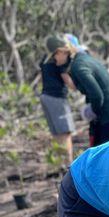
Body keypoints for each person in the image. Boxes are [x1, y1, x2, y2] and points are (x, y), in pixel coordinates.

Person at [48, 34, 109, 147]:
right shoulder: (85, 60)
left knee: (105, 161)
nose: (54, 60)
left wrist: (92, 111)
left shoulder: (78, 66)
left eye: (54, 56)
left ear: (61, 52)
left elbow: (97, 95)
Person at [40, 36, 76, 165]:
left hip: (45, 96)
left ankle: (60, 163)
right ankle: (69, 165)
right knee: (66, 132)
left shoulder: (44, 58)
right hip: (57, 97)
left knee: (56, 133)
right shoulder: (60, 60)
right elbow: (67, 80)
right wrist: (76, 86)